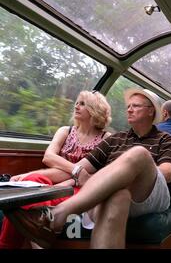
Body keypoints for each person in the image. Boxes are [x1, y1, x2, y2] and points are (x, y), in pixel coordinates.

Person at [5, 88, 171, 249]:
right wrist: (30, 175)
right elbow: (78, 169)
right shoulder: (115, 139)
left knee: (139, 154)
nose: (130, 110)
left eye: (136, 106)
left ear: (151, 111)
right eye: (128, 106)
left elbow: (167, 173)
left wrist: (130, 171)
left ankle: (60, 213)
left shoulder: (164, 139)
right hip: (114, 192)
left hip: (149, 192)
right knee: (118, 196)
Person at [0, 90, 112, 249]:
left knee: (28, 202)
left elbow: (97, 172)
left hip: (83, 186)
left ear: (95, 110)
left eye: (82, 103)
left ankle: (26, 241)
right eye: (76, 102)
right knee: (25, 186)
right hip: (55, 179)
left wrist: (70, 180)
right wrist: (77, 171)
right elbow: (48, 157)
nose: (76, 106)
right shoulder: (65, 131)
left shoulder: (106, 138)